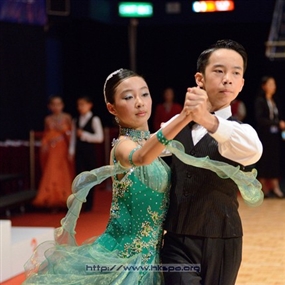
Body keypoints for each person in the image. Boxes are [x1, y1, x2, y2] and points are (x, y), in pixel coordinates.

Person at [22, 68, 199, 285]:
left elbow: (156, 145)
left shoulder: (152, 142)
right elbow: (141, 157)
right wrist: (183, 117)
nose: (140, 102)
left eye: (144, 94)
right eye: (128, 97)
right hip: (122, 262)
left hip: (152, 260)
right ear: (111, 108)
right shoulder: (123, 146)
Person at [161, 39, 263, 285]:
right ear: (200, 79)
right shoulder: (175, 125)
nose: (227, 78)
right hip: (176, 240)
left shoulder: (242, 132)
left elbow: (253, 152)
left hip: (223, 239)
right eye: (219, 71)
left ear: (241, 84)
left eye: (235, 73)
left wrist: (206, 119)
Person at [32, 95, 74, 209]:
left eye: (58, 104)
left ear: (62, 105)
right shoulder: (48, 119)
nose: (56, 107)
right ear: (50, 106)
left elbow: (71, 134)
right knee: (51, 171)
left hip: (63, 148)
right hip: (52, 149)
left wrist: (65, 133)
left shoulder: (67, 117)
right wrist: (44, 144)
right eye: (53, 104)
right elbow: (46, 135)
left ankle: (65, 198)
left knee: (63, 170)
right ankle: (50, 198)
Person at [69, 96, 104, 211]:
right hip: (79, 153)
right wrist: (71, 151)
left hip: (89, 152)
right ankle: (79, 203)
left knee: (89, 178)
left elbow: (99, 138)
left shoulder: (94, 119)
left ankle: (89, 204)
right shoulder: (76, 120)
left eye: (83, 104)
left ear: (90, 105)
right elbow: (73, 138)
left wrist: (84, 135)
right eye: (79, 105)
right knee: (79, 179)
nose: (80, 107)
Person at [254, 76, 285, 198]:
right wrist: (277, 123)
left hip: (274, 136)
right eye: (270, 84)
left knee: (274, 161)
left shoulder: (274, 101)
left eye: (274, 84)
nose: (273, 87)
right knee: (264, 161)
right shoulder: (260, 101)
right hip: (264, 136)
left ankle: (275, 187)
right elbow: (260, 119)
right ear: (264, 86)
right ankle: (263, 188)